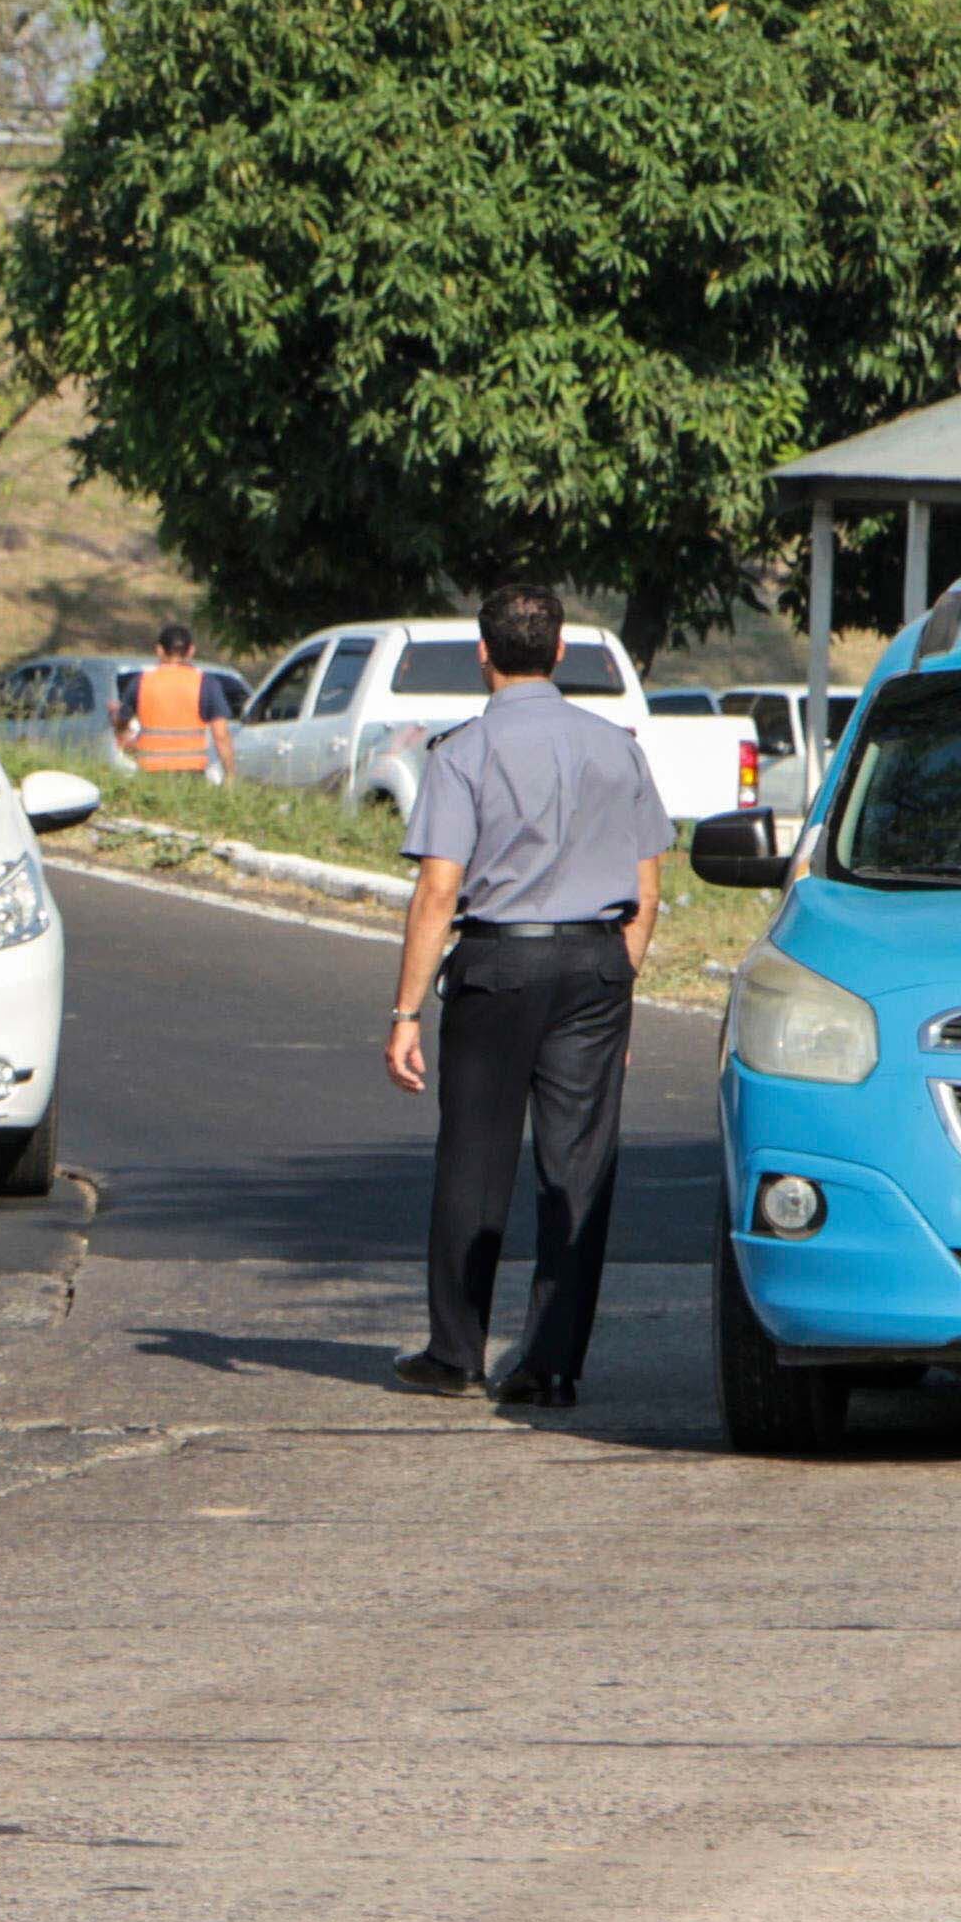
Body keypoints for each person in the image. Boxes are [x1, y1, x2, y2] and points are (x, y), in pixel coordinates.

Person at [382, 584, 666, 1411]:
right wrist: (621, 984)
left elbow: (440, 890)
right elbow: (648, 885)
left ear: (483, 654)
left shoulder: (463, 752)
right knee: (576, 1169)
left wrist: (404, 1012)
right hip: (597, 964)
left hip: (499, 965)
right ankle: (550, 1364)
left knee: (475, 1158)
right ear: (562, 651)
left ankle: (457, 1352)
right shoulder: (617, 747)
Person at [117, 624, 234, 779]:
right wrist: (230, 775)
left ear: (159, 650)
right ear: (191, 651)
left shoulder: (141, 682)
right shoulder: (206, 683)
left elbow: (122, 723)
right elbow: (221, 735)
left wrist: (125, 739)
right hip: (191, 774)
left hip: (150, 772)